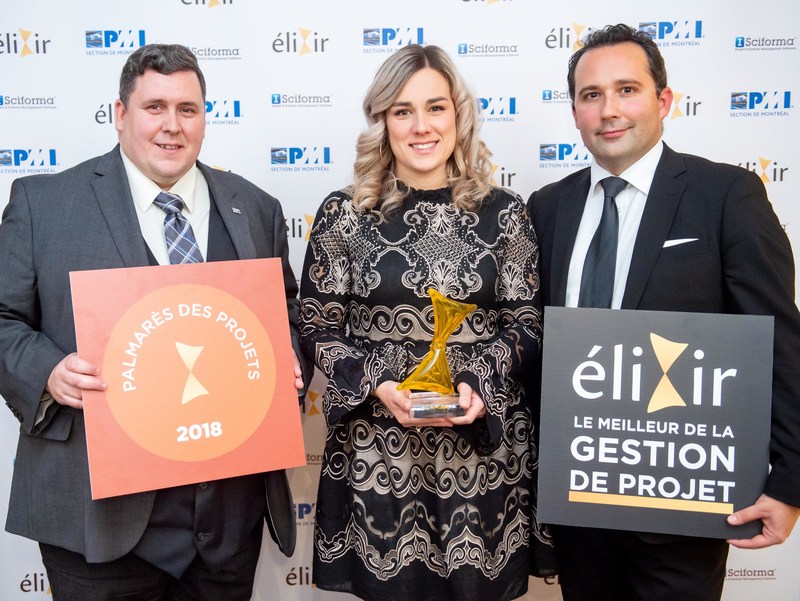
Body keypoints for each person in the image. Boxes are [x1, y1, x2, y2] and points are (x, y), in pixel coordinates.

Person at [0, 43, 309, 600]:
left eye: (188, 110)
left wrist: (288, 353)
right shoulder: (44, 203)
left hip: (225, 522)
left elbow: (286, 315)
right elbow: (3, 319)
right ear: (120, 115)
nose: (172, 126)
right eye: (155, 107)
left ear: (205, 119)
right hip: (100, 521)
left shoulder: (255, 207)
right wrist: (48, 371)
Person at [527, 23, 800, 601]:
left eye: (626, 89)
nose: (608, 109)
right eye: (591, 95)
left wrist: (791, 480)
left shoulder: (726, 195)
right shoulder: (547, 209)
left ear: (664, 100)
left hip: (682, 509)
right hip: (578, 502)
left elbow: (779, 343)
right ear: (574, 111)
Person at [299, 44, 554, 601]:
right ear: (382, 120)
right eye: (402, 110)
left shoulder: (505, 212)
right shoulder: (345, 214)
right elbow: (318, 325)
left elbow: (527, 321)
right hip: (380, 452)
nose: (421, 126)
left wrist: (479, 382)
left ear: (457, 116)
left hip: (482, 453)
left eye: (435, 108)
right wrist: (378, 383)